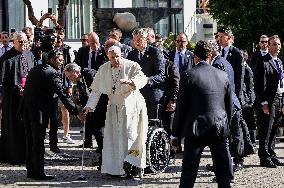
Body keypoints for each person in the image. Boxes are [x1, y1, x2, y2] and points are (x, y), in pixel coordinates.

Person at [171, 40, 233, 188]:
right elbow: (228, 106)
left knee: (189, 173)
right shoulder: (223, 75)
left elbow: (181, 107)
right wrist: (227, 127)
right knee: (223, 174)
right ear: (210, 56)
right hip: (219, 127)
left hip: (195, 129)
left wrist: (175, 135)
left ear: (194, 57)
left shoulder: (188, 75)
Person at [84, 45, 148, 178]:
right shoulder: (104, 68)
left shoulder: (131, 65)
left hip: (131, 105)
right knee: (113, 139)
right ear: (108, 57)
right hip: (113, 105)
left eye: (117, 56)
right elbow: (96, 90)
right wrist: (90, 106)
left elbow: (142, 78)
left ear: (121, 55)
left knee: (131, 137)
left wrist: (131, 82)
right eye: (112, 57)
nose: (115, 59)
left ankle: (132, 166)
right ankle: (116, 169)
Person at [23, 49, 83, 180]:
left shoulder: (36, 69)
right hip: (39, 112)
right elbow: (63, 94)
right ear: (50, 59)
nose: (61, 63)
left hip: (28, 110)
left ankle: (31, 171)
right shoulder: (53, 73)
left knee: (30, 141)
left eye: (62, 60)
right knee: (38, 143)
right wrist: (76, 111)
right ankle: (38, 173)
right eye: (59, 60)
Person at [0, 31, 36, 164]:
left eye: (25, 41)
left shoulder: (28, 55)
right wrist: (17, 89)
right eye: (20, 42)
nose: (23, 44)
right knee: (14, 127)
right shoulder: (6, 58)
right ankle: (14, 155)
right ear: (13, 42)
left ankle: (28, 154)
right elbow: (4, 81)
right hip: (13, 99)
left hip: (28, 97)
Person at [64, 62, 105, 168]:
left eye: (70, 76)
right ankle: (101, 156)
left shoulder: (89, 75)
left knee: (98, 130)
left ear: (77, 72)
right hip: (91, 106)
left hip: (102, 105)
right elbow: (84, 96)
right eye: (67, 77)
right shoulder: (78, 81)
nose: (69, 79)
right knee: (92, 128)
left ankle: (104, 159)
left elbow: (99, 92)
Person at [254, 35, 284, 168]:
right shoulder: (263, 61)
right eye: (274, 44)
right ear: (268, 46)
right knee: (266, 129)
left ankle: (271, 154)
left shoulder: (279, 62)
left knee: (274, 129)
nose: (277, 47)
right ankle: (264, 156)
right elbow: (259, 85)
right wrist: (264, 103)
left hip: (279, 98)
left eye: (279, 44)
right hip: (268, 100)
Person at [74, 31, 108, 148]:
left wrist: (90, 73)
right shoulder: (82, 51)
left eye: (97, 43)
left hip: (99, 87)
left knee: (97, 116)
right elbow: (76, 66)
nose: (95, 45)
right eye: (92, 43)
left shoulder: (103, 51)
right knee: (86, 113)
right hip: (85, 87)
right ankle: (87, 141)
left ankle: (100, 144)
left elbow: (104, 68)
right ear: (88, 42)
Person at [127, 28, 165, 119]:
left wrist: (146, 80)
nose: (136, 42)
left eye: (139, 40)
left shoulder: (155, 52)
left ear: (146, 39)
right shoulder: (131, 55)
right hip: (137, 97)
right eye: (134, 40)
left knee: (152, 127)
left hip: (152, 96)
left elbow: (162, 75)